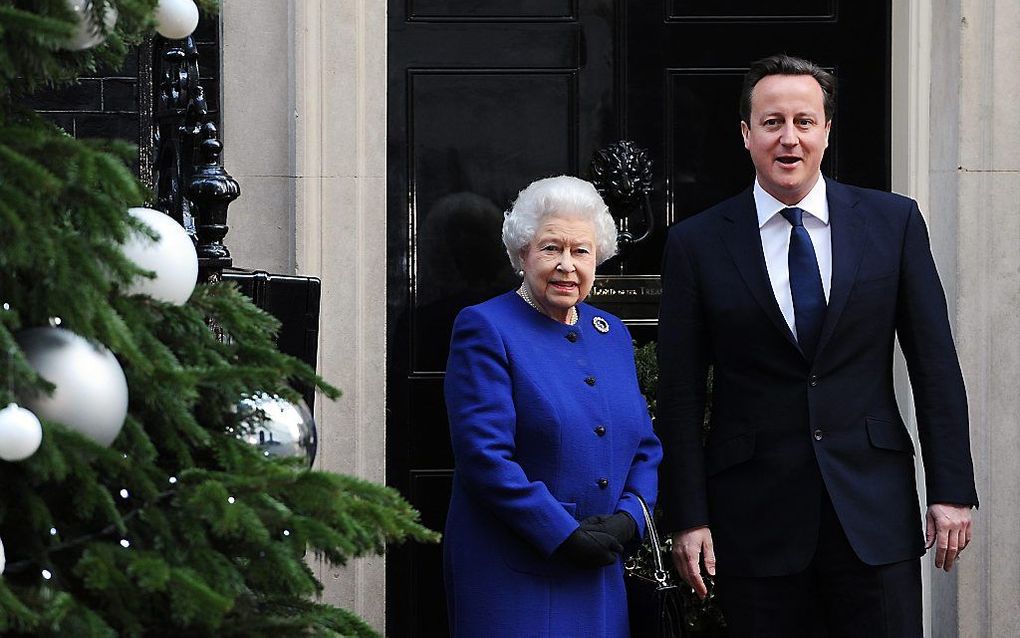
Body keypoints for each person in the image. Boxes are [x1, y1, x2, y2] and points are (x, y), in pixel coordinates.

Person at [655, 54, 978, 637]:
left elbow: (935, 366)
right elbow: (679, 394)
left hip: (873, 514)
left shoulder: (893, 222)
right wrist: (688, 516)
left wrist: (951, 489)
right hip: (754, 521)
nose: (789, 138)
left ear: (827, 130)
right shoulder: (697, 244)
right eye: (772, 122)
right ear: (746, 134)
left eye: (804, 121)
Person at [443, 175, 662, 637]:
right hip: (516, 568)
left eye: (581, 251)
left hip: (599, 567)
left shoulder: (612, 332)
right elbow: (484, 458)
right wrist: (561, 532)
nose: (567, 265)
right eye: (551, 248)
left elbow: (644, 445)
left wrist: (629, 520)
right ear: (522, 253)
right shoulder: (485, 327)